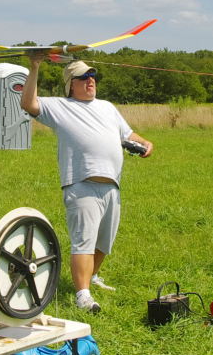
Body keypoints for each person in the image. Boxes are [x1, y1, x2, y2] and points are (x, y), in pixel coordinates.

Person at [20, 56, 152, 313]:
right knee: (83, 241)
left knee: (103, 242)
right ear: (71, 84)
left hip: (111, 186)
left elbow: (127, 134)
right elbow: (28, 103)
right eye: (83, 77)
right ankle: (82, 295)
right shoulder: (59, 106)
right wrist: (34, 66)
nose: (90, 80)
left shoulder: (107, 107)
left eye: (92, 76)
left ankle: (92, 277)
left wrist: (145, 142)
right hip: (81, 184)